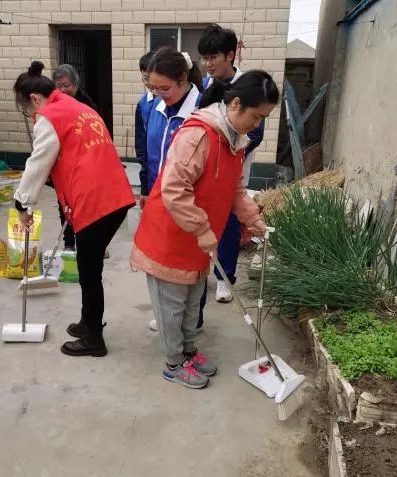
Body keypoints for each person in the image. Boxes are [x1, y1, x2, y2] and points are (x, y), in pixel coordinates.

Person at [130, 70, 279, 389]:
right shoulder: (198, 135)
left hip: (197, 238)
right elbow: (174, 188)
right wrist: (201, 228)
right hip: (171, 236)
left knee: (192, 303)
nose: (257, 125)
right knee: (171, 309)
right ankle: (173, 363)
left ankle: (188, 351)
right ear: (236, 104)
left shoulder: (235, 141)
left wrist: (252, 218)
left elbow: (235, 189)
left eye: (263, 119)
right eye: (256, 117)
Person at [14, 61, 135, 357]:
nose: (31, 115)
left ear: (34, 99)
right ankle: (86, 322)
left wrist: (22, 203)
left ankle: (94, 339)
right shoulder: (76, 106)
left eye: (27, 110)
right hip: (115, 195)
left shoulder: (50, 116)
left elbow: (38, 162)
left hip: (96, 201)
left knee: (89, 271)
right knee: (87, 264)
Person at [197, 24, 267, 326]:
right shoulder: (206, 85)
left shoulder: (247, 86)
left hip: (233, 169)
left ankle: (225, 276)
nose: (208, 64)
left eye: (213, 57)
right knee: (203, 221)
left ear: (230, 55)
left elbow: (256, 133)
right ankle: (200, 278)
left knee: (227, 223)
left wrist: (228, 151)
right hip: (205, 170)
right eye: (204, 58)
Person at [141, 47, 203, 202]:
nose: (159, 94)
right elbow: (149, 155)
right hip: (156, 196)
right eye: (154, 88)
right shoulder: (156, 106)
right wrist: (147, 190)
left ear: (183, 78)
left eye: (165, 88)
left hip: (186, 203)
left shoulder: (202, 110)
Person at [51, 64, 100, 253]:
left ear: (76, 85)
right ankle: (69, 243)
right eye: (59, 86)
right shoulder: (54, 105)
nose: (63, 90)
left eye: (67, 85)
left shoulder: (86, 104)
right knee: (64, 204)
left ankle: (93, 244)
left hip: (84, 163)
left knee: (87, 206)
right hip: (63, 164)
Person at [135, 52, 155, 206]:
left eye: (151, 77)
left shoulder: (172, 100)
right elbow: (141, 146)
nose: (149, 83)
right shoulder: (143, 105)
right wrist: (144, 188)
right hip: (152, 172)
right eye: (145, 78)